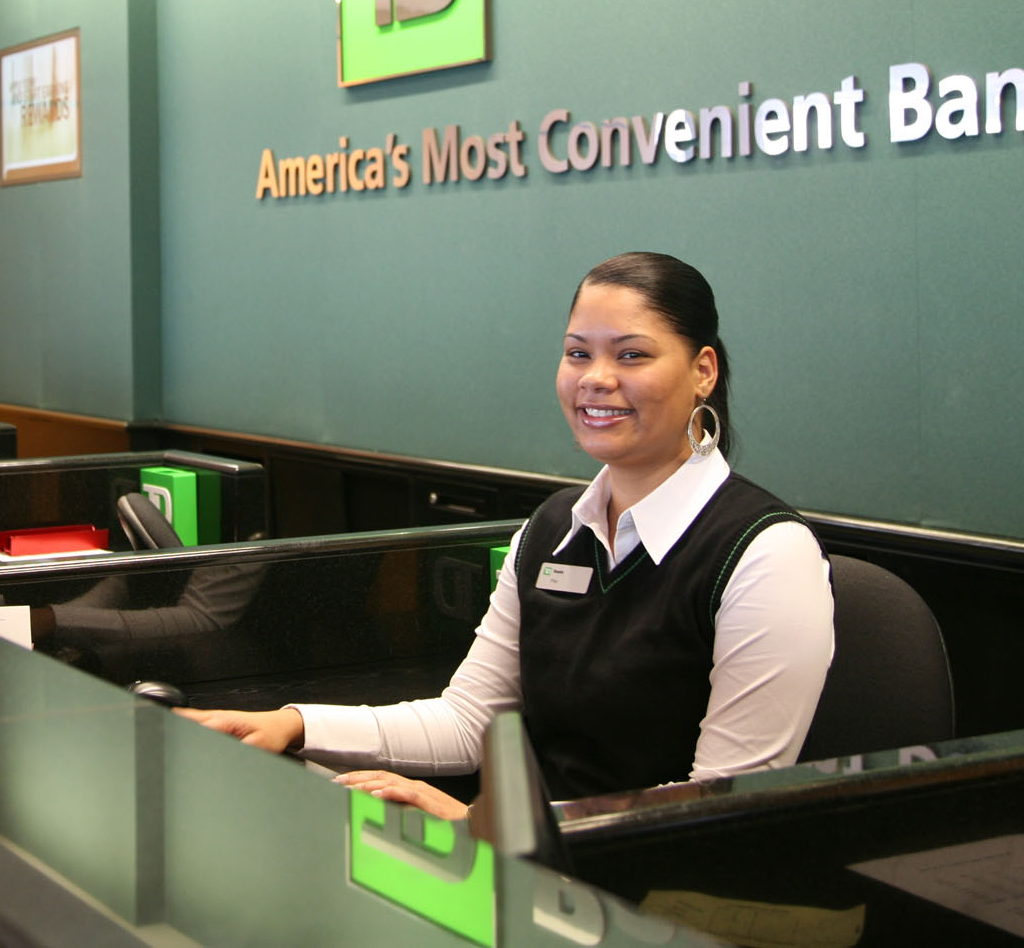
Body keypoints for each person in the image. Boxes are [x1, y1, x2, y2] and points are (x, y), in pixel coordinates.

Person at [181, 252, 835, 819]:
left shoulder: (765, 554)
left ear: (703, 371)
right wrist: (293, 723)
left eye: (631, 353)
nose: (595, 377)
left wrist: (488, 823)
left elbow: (718, 804)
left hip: (659, 894)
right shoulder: (552, 529)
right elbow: (467, 722)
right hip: (534, 872)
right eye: (578, 352)